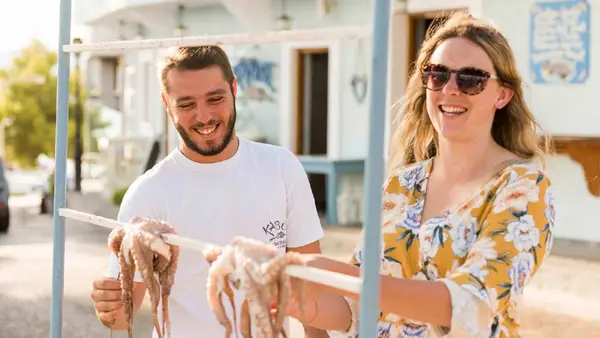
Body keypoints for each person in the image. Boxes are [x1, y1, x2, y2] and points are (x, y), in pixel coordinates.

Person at [286, 12, 555, 337]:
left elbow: (468, 305)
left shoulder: (523, 188)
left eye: (471, 79)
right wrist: (297, 298)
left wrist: (323, 270)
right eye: (438, 74)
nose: (451, 89)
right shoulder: (400, 185)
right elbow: (355, 308)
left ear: (503, 94)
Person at [89, 46, 328, 337]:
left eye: (215, 99)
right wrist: (108, 306)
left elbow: (310, 281)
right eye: (186, 104)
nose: (204, 116)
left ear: (234, 89)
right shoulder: (148, 192)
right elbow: (120, 317)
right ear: (167, 104)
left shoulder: (282, 167)